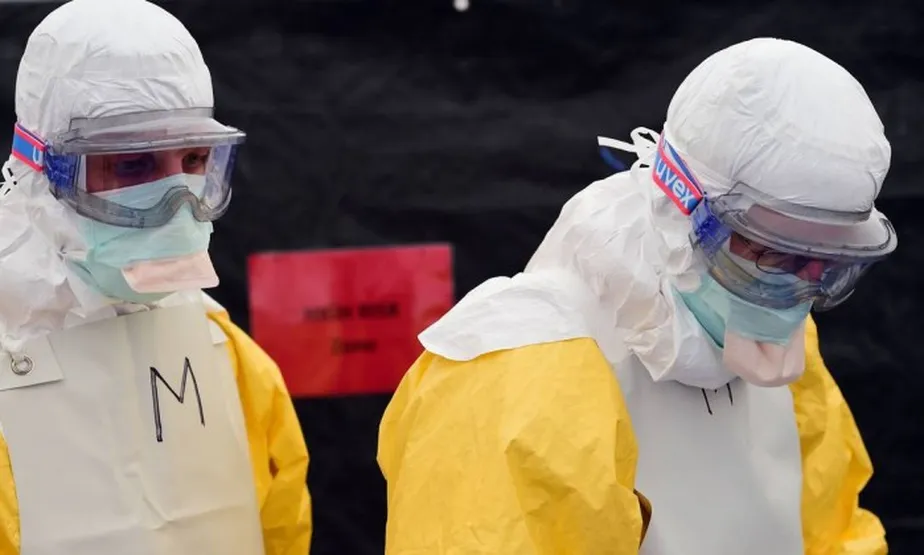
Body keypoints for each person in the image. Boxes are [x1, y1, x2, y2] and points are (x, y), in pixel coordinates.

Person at [378, 38, 893, 554]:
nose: (799, 286)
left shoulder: (782, 350)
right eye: (772, 253)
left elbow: (834, 534)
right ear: (683, 208)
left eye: (830, 262)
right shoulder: (517, 376)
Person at [0, 1, 312, 554]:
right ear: (42, 171)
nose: (177, 203)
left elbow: (281, 531)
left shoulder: (231, 361)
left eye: (193, 160)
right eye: (132, 165)